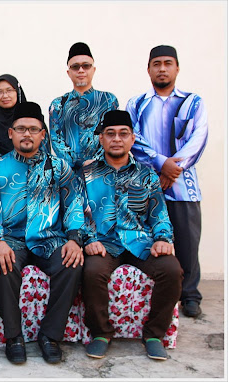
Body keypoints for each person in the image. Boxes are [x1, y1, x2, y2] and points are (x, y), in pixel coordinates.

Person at [0, 101, 85, 365]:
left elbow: (73, 203)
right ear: (10, 133)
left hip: (49, 239)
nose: (27, 134)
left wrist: (74, 240)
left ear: (42, 134)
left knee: (71, 264)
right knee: (2, 265)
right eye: (21, 128)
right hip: (12, 241)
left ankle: (50, 336)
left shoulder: (58, 167)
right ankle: (14, 337)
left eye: (33, 129)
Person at [81, 110, 183, 360]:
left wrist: (162, 238)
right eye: (110, 134)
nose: (117, 139)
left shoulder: (147, 175)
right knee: (92, 271)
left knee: (172, 270)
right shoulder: (86, 174)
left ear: (132, 139)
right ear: (101, 139)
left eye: (123, 134)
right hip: (104, 242)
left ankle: (154, 334)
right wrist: (90, 240)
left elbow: (159, 213)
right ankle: (101, 333)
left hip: (141, 241)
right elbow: (77, 212)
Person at [127, 45, 208, 318]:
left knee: (187, 242)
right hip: (147, 187)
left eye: (168, 63)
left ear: (177, 68)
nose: (162, 68)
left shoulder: (193, 102)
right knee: (151, 242)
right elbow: (133, 140)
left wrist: (172, 169)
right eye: (157, 63)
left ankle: (190, 296)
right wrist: (161, 164)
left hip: (183, 186)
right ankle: (157, 293)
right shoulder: (137, 104)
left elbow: (198, 139)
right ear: (148, 69)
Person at [49, 42, 119, 170]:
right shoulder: (58, 104)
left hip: (103, 171)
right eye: (75, 67)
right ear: (68, 72)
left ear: (93, 69)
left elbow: (112, 134)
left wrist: (96, 160)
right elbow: (56, 139)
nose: (81, 70)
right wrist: (77, 164)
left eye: (86, 66)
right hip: (69, 174)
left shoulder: (108, 101)